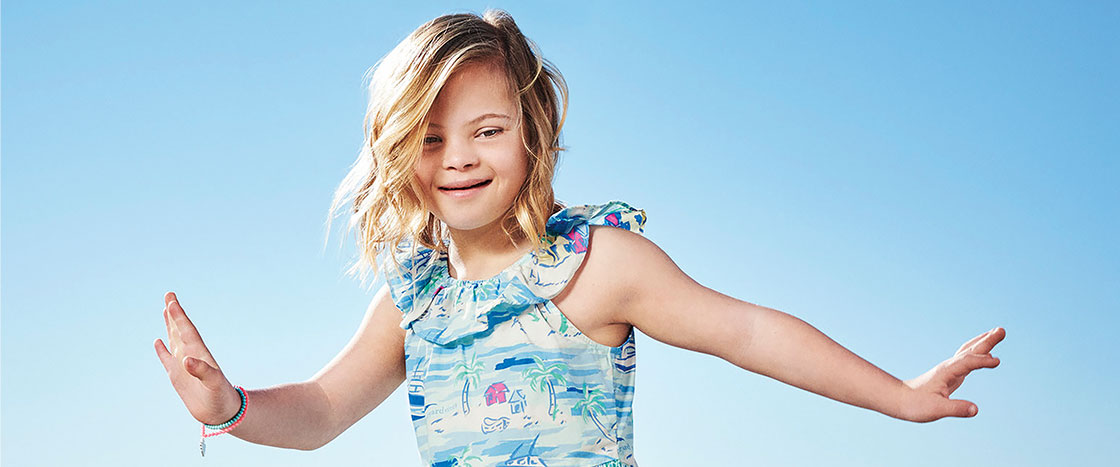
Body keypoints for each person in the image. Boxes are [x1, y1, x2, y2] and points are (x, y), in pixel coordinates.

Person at [154, 9, 1005, 466]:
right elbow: (325, 409)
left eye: (486, 131)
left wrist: (899, 392)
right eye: (432, 137)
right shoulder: (416, 296)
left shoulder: (597, 266)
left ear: (533, 135)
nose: (458, 160)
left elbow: (748, 331)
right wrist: (231, 408)